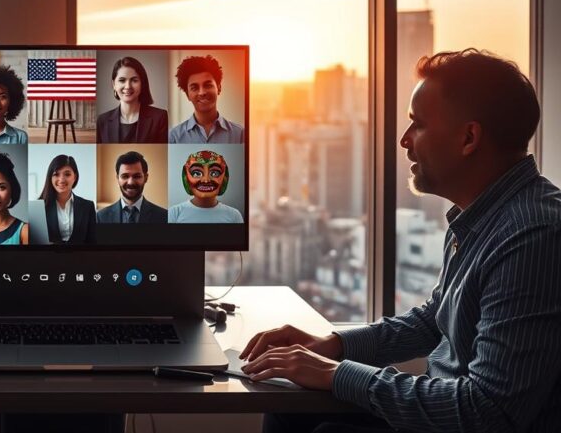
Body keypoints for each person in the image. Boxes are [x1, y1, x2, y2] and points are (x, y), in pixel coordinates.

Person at [240, 49, 561, 433]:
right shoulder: (479, 214)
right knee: (290, 406)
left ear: (469, 137)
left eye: (418, 125)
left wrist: (337, 374)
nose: (404, 140)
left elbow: (488, 412)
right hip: (447, 405)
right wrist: (334, 345)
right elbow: (435, 320)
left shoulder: (534, 235)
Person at [168, 54, 244, 144]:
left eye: (207, 85)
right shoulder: (174, 137)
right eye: (194, 88)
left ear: (219, 88)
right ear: (187, 95)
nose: (202, 92)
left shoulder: (240, 134)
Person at [96, 56, 168, 143]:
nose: (128, 86)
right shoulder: (102, 121)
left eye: (134, 80)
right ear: (114, 84)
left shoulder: (160, 118)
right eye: (122, 80)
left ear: (142, 83)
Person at [167, 150, 243, 223]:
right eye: (196, 173)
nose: (206, 180)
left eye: (214, 173)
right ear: (186, 177)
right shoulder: (174, 213)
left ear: (224, 177)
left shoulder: (234, 215)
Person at [96, 151, 168, 223]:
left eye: (137, 176)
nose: (130, 182)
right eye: (125, 176)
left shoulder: (164, 216)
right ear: (118, 178)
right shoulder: (101, 217)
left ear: (146, 178)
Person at [38, 154, 96, 244]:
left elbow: (92, 241)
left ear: (75, 177)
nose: (61, 180)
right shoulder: (39, 207)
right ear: (50, 178)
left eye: (67, 174)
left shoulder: (88, 206)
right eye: (56, 174)